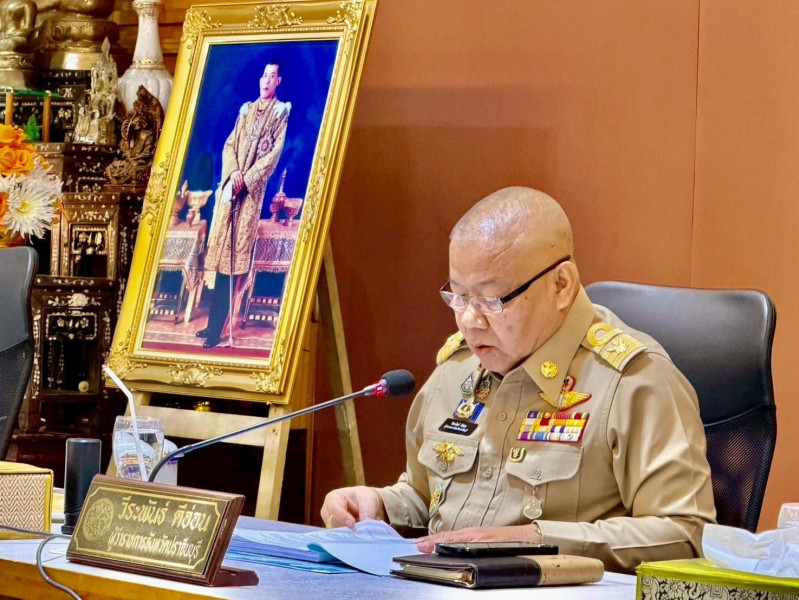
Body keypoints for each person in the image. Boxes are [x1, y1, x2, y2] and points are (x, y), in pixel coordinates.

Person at [321, 187, 716, 574]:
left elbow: (685, 533)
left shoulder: (632, 381)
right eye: (458, 296)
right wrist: (378, 505)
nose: (469, 320)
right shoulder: (456, 368)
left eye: (492, 300)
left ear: (561, 285)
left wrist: (534, 540)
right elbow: (428, 497)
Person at [198, 61, 291, 348]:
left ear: (278, 81)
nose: (266, 80)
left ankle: (217, 329)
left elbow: (272, 156)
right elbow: (230, 145)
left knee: (232, 262)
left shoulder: (280, 113)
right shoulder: (246, 110)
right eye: (264, 75)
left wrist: (246, 179)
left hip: (249, 195)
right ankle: (213, 324)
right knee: (220, 259)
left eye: (272, 76)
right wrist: (234, 173)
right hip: (232, 188)